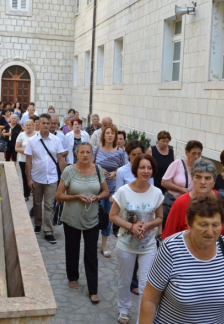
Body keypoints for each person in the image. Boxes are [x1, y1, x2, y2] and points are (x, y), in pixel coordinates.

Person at [140, 194, 224, 324]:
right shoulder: (171, 249)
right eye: (203, 225)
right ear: (189, 222)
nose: (210, 232)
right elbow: (150, 299)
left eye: (215, 225)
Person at [110, 154, 163, 324]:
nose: (146, 171)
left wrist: (147, 226)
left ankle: (143, 318)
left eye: (149, 168)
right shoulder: (123, 191)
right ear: (136, 169)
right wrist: (131, 226)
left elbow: (160, 217)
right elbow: (113, 215)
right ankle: (124, 310)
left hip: (148, 246)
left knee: (146, 285)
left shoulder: (156, 193)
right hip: (126, 244)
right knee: (124, 281)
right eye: (142, 167)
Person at [56, 142, 110, 304]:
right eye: (82, 152)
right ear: (77, 154)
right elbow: (59, 195)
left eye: (88, 152)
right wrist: (76, 197)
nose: (85, 155)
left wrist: (97, 197)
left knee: (91, 254)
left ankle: (93, 290)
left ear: (92, 155)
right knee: (72, 249)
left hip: (92, 218)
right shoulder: (69, 171)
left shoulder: (98, 170)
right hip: (71, 218)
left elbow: (106, 191)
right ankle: (73, 277)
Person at [161, 158, 224, 251]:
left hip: (217, 260)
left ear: (214, 181)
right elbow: (168, 237)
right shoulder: (180, 203)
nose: (202, 182)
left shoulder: (222, 200)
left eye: (208, 178)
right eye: (198, 177)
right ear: (192, 179)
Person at [115, 140, 154, 296]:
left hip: (146, 224)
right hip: (128, 221)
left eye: (140, 154)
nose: (137, 158)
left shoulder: (148, 173)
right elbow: (118, 195)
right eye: (133, 155)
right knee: (128, 262)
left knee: (143, 264)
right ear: (128, 155)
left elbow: (152, 194)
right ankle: (131, 283)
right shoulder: (122, 172)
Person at [25, 113, 67, 244]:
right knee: (37, 203)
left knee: (49, 205)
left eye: (48, 123)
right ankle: (38, 222)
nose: (46, 125)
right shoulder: (32, 141)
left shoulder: (56, 140)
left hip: (52, 178)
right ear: (39, 124)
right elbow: (28, 161)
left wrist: (65, 179)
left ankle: (48, 230)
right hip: (37, 177)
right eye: (44, 123)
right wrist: (29, 179)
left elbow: (61, 159)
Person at [93, 124, 127, 257]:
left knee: (108, 217)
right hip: (97, 189)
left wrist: (116, 172)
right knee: (95, 216)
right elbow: (90, 165)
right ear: (103, 135)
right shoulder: (96, 150)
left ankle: (104, 245)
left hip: (113, 190)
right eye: (108, 133)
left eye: (113, 133)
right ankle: (93, 241)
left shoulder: (120, 152)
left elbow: (125, 168)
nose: (110, 135)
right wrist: (99, 169)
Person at [161, 140, 202, 228]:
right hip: (173, 201)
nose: (196, 157)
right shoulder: (177, 163)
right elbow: (164, 182)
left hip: (190, 204)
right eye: (193, 153)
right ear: (186, 152)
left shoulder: (201, 168)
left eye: (199, 154)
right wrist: (180, 189)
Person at [15, 119, 37, 200]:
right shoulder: (21, 135)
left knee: (34, 176)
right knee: (25, 176)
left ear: (33, 126)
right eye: (26, 125)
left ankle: (35, 192)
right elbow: (17, 148)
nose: (28, 126)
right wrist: (27, 152)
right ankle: (26, 194)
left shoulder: (37, 135)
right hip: (23, 159)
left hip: (35, 160)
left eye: (29, 125)